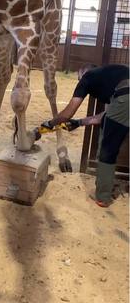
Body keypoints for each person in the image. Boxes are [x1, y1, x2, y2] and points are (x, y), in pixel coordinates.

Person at [41, 63, 129, 208]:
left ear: (82, 72)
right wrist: (79, 123)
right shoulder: (111, 76)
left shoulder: (88, 77)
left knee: (107, 150)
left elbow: (69, 112)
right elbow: (106, 116)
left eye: (78, 78)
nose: (80, 81)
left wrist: (50, 123)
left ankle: (103, 197)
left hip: (125, 100)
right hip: (124, 100)